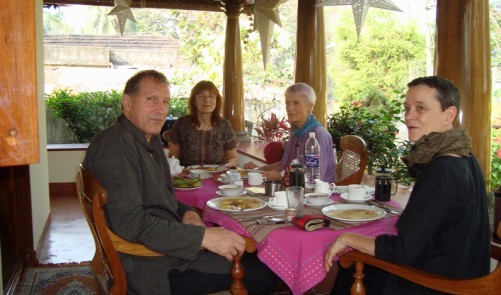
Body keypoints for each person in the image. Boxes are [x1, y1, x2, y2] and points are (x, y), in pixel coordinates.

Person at [82, 70, 278, 294]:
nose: (161, 109)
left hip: (166, 247)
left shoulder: (147, 138)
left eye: (165, 101)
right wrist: (204, 238)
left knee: (253, 255)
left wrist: (187, 212)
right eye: (151, 99)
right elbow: (130, 223)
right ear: (127, 102)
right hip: (151, 267)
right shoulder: (115, 147)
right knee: (266, 272)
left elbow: (160, 195)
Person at [324, 76, 491, 294]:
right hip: (458, 273)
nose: (409, 116)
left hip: (440, 284)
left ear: (449, 114)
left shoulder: (443, 170)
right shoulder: (465, 156)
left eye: (420, 108)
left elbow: (402, 250)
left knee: (350, 266)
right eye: (407, 108)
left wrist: (347, 237)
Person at [244, 82, 336, 182]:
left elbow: (315, 178)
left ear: (309, 106)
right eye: (287, 103)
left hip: (316, 194)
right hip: (294, 190)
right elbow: (284, 164)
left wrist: (281, 177)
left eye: (296, 103)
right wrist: (257, 169)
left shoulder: (317, 135)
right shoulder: (297, 132)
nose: (290, 108)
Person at [163, 80, 238, 168]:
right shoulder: (182, 124)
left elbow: (233, 158)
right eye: (201, 96)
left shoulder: (225, 125)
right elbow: (173, 157)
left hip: (216, 176)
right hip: (188, 177)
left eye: (211, 96)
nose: (207, 100)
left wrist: (221, 168)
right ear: (194, 101)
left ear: (217, 100)